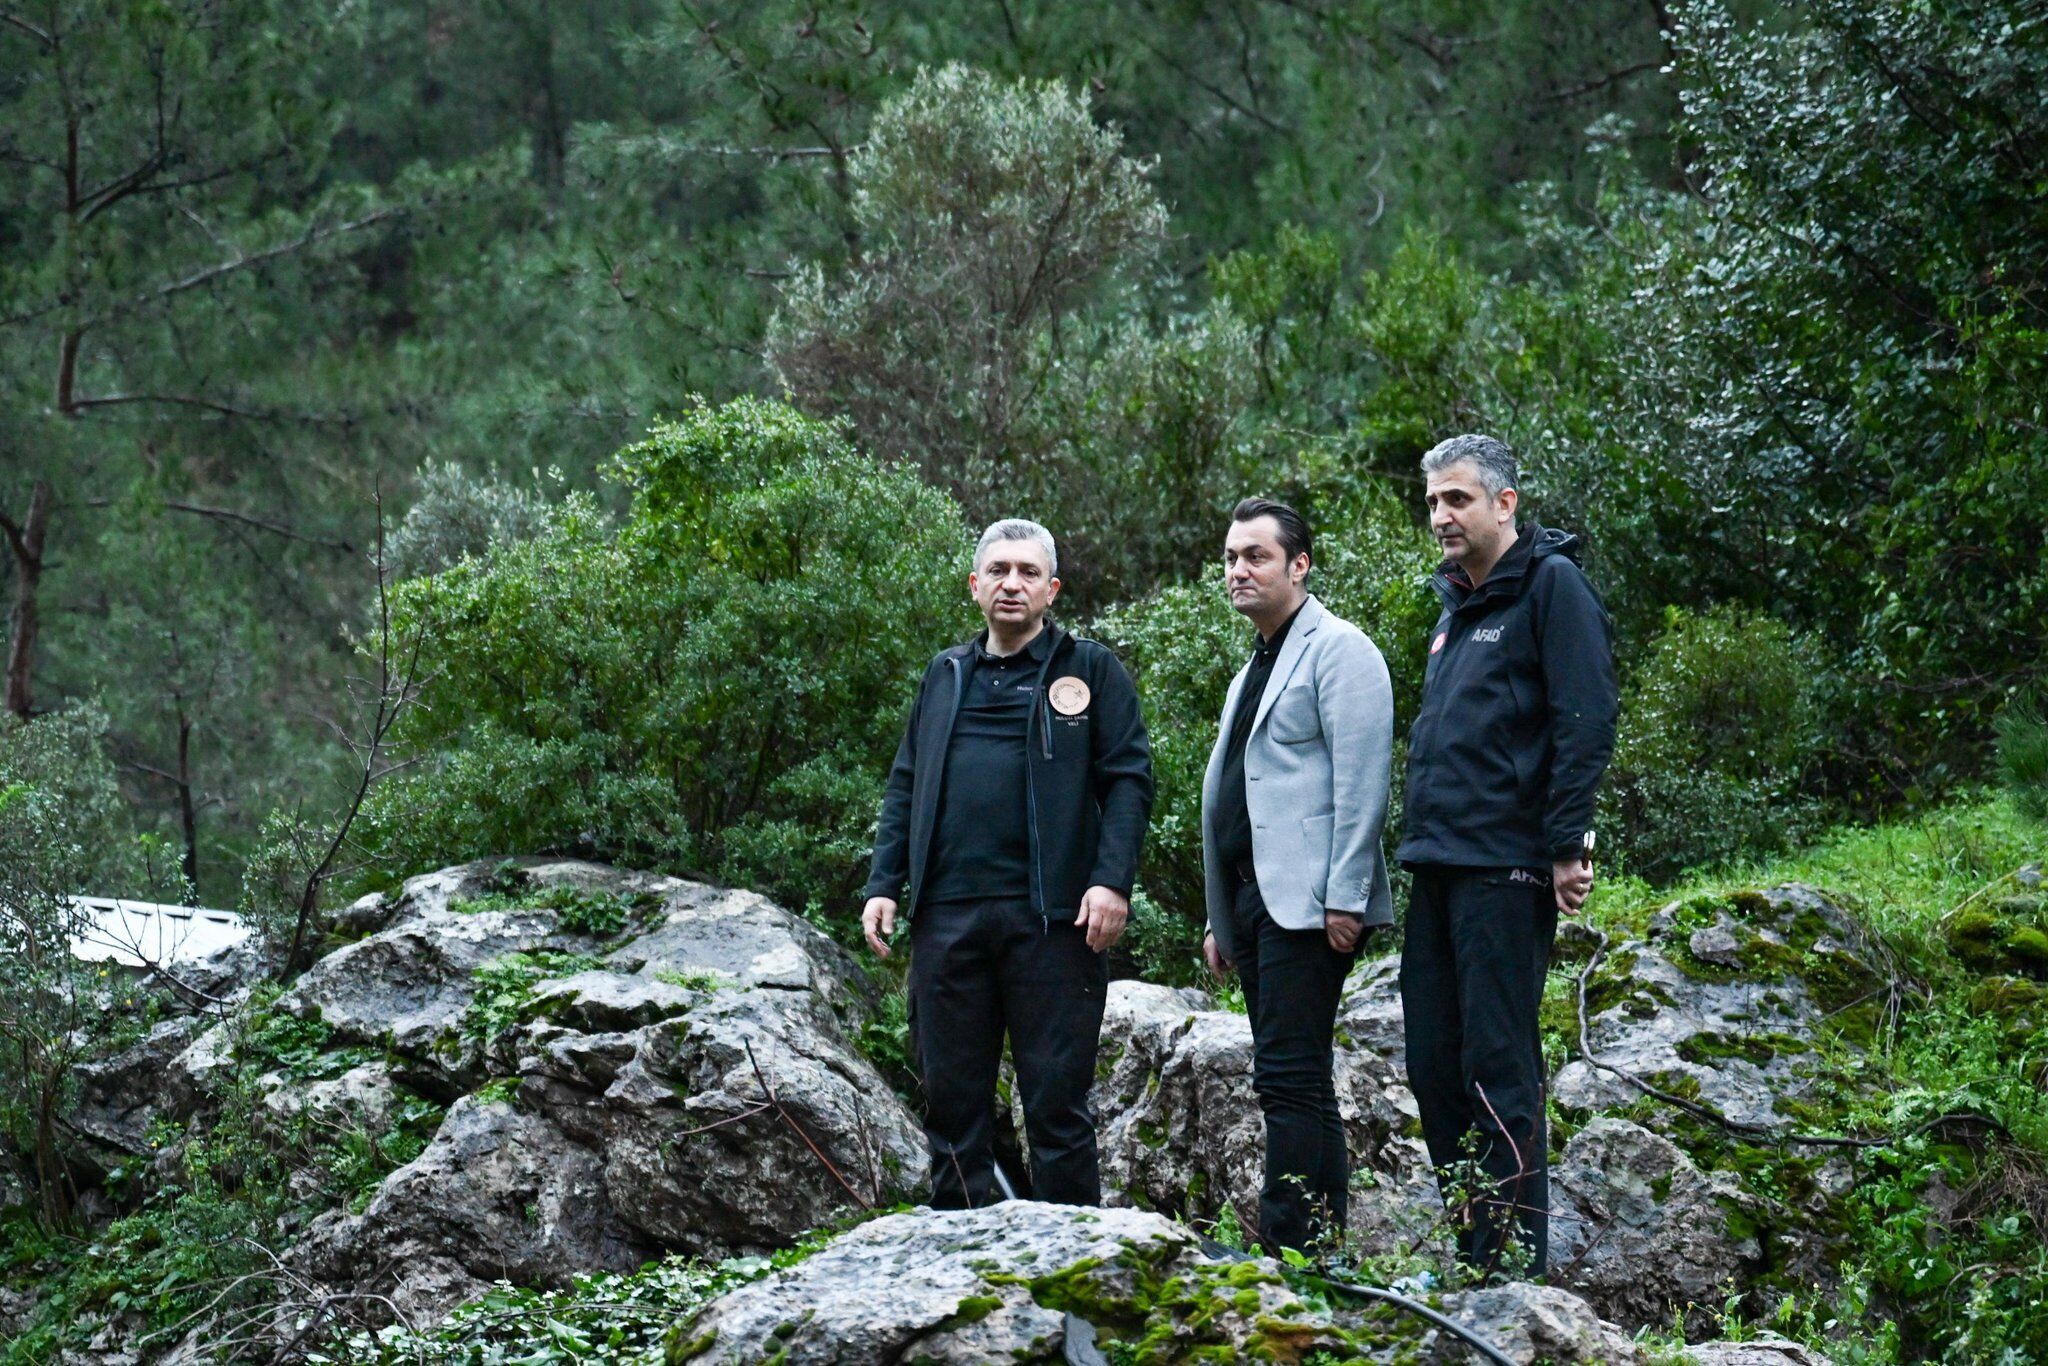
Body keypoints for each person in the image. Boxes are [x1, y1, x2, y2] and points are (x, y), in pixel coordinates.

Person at [862, 518, 1153, 1208]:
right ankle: (961, 1265)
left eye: (1028, 572)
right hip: (947, 919)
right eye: (998, 571)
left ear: (1052, 590)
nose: (1012, 584)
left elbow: (1128, 780)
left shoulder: (1090, 670)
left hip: (1054, 923)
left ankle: (1078, 1267)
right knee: (951, 1111)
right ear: (975, 586)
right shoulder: (945, 674)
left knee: (1057, 1109)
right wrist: (885, 882)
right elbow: (906, 781)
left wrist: (1111, 881)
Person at [1397, 434, 1618, 1277]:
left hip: (1506, 864)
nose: (1442, 516)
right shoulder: (1456, 603)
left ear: (1504, 503)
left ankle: (1513, 1270)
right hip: (1438, 864)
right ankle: (1473, 1254)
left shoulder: (1551, 586)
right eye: (1433, 502)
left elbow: (1585, 718)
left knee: (1498, 1065)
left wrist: (1568, 841)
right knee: (1433, 1068)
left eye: (1457, 498)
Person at [1200, 497, 1395, 1254]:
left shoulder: (1341, 650)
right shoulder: (1255, 664)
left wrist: (1346, 897)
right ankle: (1319, 1251)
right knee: (1301, 1077)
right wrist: (1220, 915)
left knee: (1285, 1078)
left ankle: (1287, 1256)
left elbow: (1363, 783)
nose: (1238, 570)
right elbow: (1240, 795)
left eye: (1256, 556)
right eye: (1231, 558)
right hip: (1253, 903)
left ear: (1300, 565)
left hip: (1311, 905)